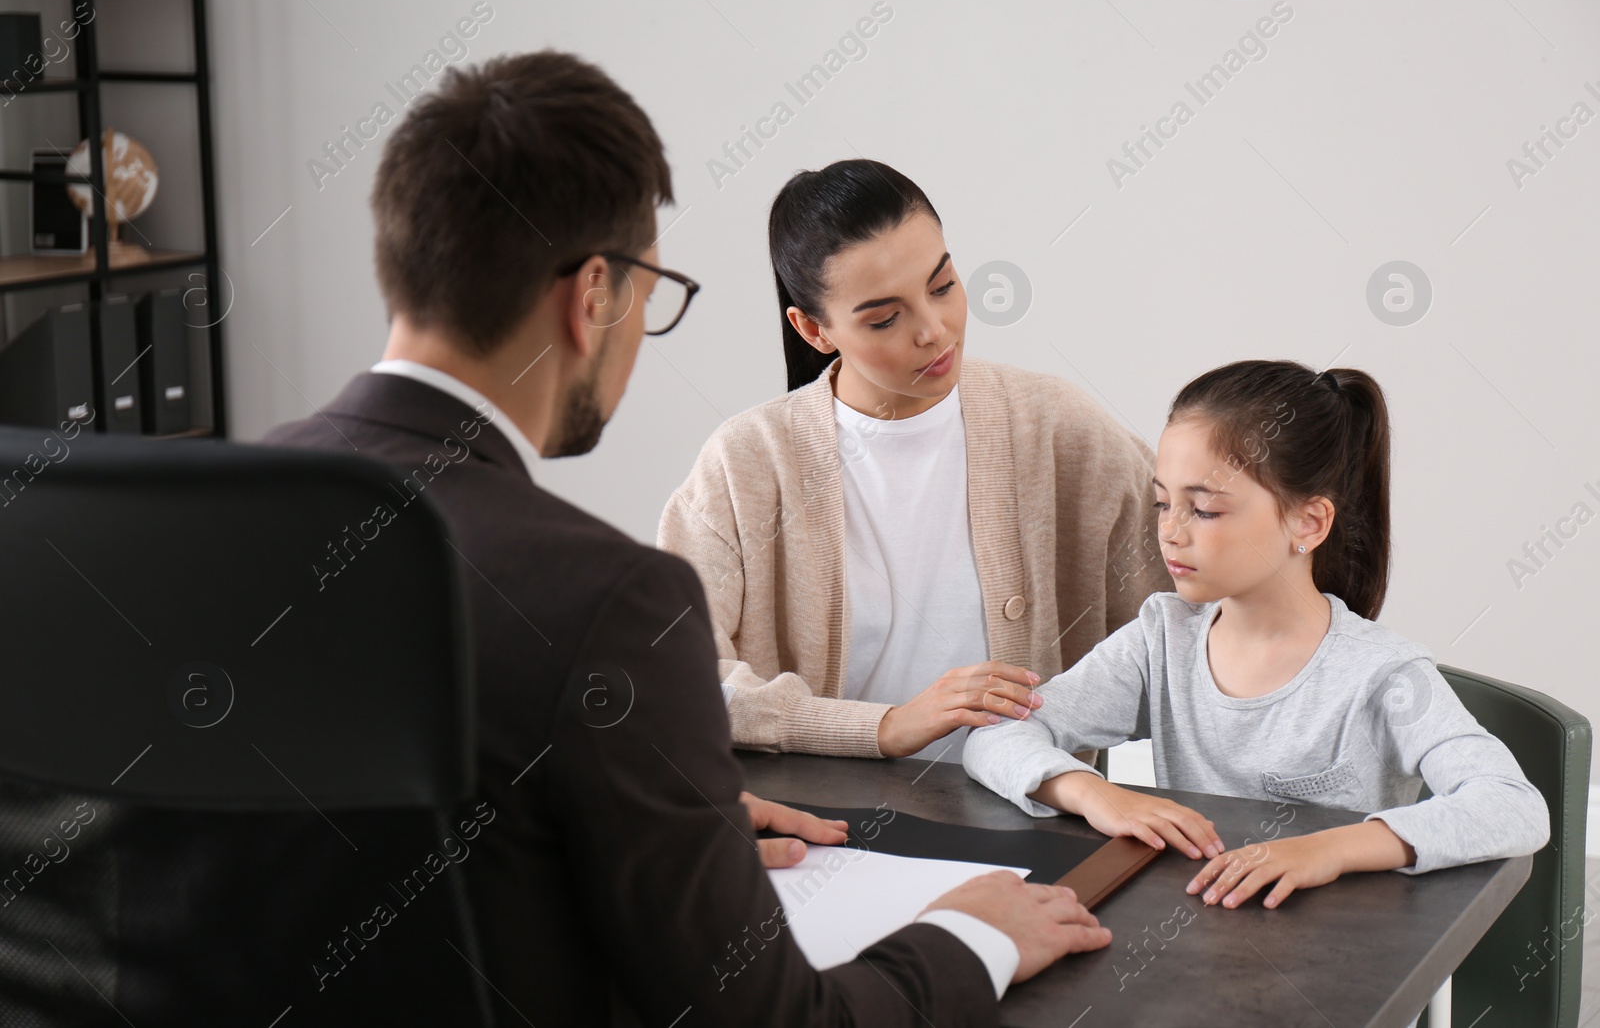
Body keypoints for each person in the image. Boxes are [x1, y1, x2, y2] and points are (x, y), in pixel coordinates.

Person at [262, 50, 1111, 1026]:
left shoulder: (193, 518)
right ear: (595, 295)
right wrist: (974, 932)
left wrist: (638, 822)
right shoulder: (608, 592)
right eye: (652, 294)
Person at [962, 359, 1550, 909]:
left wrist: (1329, 847)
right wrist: (1097, 794)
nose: (1170, 532)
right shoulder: (1160, 640)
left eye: (1206, 510)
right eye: (1164, 503)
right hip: (1199, 930)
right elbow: (995, 737)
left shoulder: (1382, 674)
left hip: (1342, 959)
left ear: (1308, 522)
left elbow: (1513, 806)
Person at [658, 160, 1169, 763]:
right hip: (821, 833)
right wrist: (883, 727)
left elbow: (1192, 627)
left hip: (1030, 824)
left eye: (943, 285)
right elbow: (670, 671)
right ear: (813, 330)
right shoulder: (746, 464)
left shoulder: (1060, 429)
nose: (934, 330)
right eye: (885, 318)